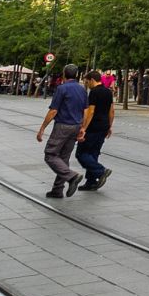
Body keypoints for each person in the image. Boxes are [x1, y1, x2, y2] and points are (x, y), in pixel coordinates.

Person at [35, 63, 89, 198]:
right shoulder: (82, 89)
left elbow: (53, 111)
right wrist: (83, 127)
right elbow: (86, 110)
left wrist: (42, 128)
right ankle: (57, 190)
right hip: (76, 126)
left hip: (63, 126)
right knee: (64, 157)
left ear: (64, 73)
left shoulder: (62, 88)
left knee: (50, 154)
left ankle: (72, 176)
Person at [75, 69, 114, 192]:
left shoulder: (94, 92)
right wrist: (109, 126)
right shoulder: (108, 92)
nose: (87, 84)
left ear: (92, 80)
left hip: (93, 127)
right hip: (103, 127)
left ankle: (100, 171)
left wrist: (83, 128)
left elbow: (91, 111)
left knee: (81, 154)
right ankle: (91, 182)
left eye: (87, 82)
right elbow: (111, 111)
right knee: (93, 154)